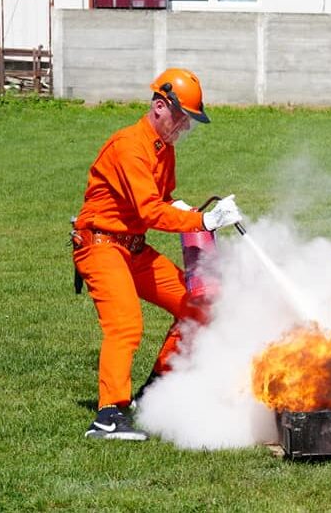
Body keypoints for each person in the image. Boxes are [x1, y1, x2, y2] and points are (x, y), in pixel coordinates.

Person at [71, 68, 242, 441]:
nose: (185, 126)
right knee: (125, 324)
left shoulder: (163, 151)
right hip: (101, 246)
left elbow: (161, 201)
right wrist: (204, 220)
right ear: (160, 106)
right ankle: (108, 416)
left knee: (196, 305)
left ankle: (156, 389)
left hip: (132, 248)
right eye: (182, 117)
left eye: (189, 120)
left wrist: (191, 211)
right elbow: (150, 212)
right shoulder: (129, 146)